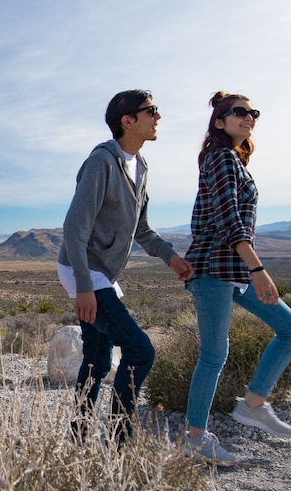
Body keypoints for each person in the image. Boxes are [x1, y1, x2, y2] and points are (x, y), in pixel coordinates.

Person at [57, 89, 194, 444]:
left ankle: (78, 437)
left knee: (97, 362)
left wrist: (170, 257)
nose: (158, 117)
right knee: (139, 350)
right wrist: (84, 287)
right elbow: (75, 227)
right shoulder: (102, 162)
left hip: (100, 273)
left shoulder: (141, 167)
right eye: (151, 111)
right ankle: (120, 441)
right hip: (82, 268)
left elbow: (142, 229)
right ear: (127, 121)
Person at [182, 91, 291, 466]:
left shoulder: (234, 161)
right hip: (212, 271)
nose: (249, 117)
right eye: (239, 112)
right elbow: (230, 220)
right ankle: (194, 437)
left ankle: (254, 403)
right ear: (219, 121)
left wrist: (248, 272)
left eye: (252, 112)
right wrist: (259, 270)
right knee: (214, 355)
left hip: (233, 272)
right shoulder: (220, 158)